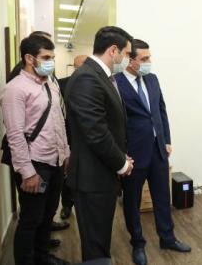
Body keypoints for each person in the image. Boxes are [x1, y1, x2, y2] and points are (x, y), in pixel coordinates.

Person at [114, 39, 191, 265]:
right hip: (133, 154)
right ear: (129, 60)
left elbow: (161, 110)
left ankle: (167, 238)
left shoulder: (152, 79)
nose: (149, 62)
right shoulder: (115, 83)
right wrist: (121, 154)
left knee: (162, 198)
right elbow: (115, 122)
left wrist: (166, 139)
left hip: (158, 151)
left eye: (150, 57)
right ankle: (137, 243)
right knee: (132, 201)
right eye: (144, 59)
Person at [65, 26, 134, 261]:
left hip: (100, 176)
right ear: (113, 50)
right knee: (95, 247)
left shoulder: (100, 76)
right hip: (91, 179)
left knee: (100, 240)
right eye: (126, 53)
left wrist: (121, 157)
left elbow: (109, 125)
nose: (126, 59)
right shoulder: (87, 77)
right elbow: (96, 132)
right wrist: (121, 164)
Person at [0, 34, 70, 265]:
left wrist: (66, 153)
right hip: (35, 164)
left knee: (48, 214)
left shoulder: (50, 84)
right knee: (31, 218)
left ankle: (42, 257)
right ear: (29, 58)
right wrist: (27, 172)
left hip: (55, 161)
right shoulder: (15, 89)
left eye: (52, 57)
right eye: (46, 57)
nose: (51, 62)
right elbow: (15, 135)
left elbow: (59, 120)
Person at [57, 54, 88, 220]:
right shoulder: (61, 84)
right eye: (80, 65)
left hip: (89, 137)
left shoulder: (96, 83)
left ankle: (85, 206)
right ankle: (67, 205)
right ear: (74, 67)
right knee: (68, 172)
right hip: (68, 135)